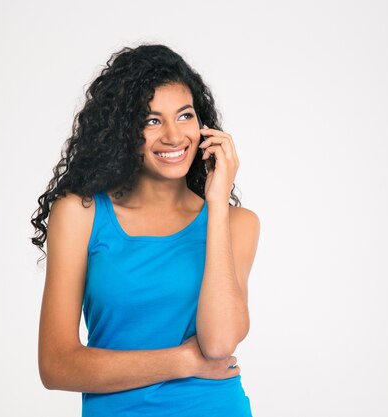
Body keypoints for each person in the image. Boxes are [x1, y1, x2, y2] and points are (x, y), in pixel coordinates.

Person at [29, 43, 260, 416]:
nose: (173, 135)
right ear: (122, 130)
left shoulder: (237, 223)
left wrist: (217, 205)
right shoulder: (80, 214)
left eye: (185, 116)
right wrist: (182, 361)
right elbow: (56, 365)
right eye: (152, 120)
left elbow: (218, 344)